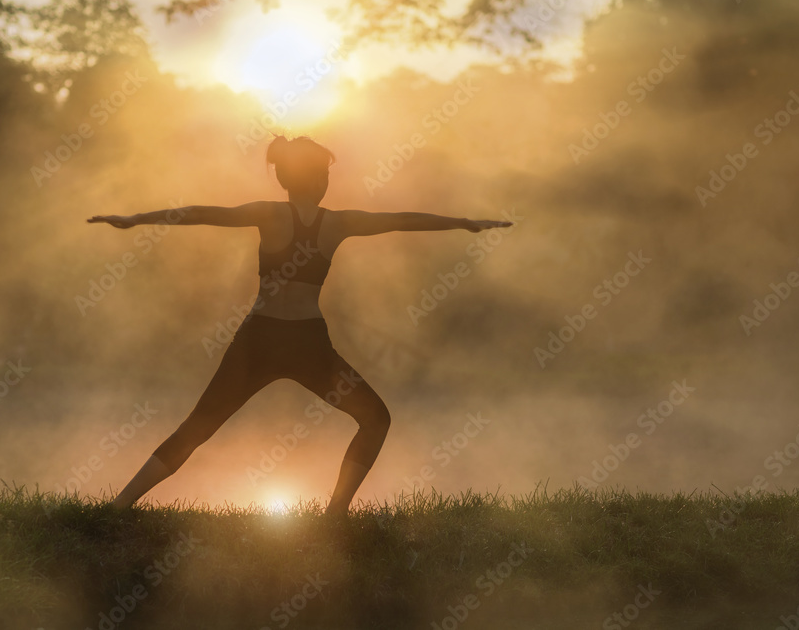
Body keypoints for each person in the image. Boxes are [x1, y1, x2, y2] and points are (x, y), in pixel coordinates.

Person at [88, 135, 512, 516]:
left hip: (267, 340)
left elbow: (201, 213)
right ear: (318, 179)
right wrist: (464, 223)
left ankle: (119, 507)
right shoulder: (337, 222)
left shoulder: (273, 214)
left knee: (198, 427)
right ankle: (334, 515)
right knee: (375, 420)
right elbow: (402, 219)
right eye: (325, 172)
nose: (328, 179)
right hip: (301, 343)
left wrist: (136, 218)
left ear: (287, 180)